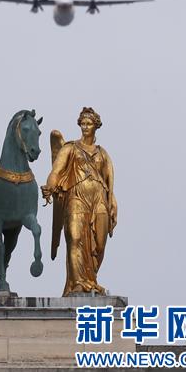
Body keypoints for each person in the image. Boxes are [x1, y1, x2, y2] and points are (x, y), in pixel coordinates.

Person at [41, 107, 118, 296]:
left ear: (96, 126)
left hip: (99, 200)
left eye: (89, 124)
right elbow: (56, 172)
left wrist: (113, 203)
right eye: (82, 123)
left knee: (99, 244)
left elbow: (109, 184)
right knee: (74, 238)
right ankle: (77, 282)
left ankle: (91, 279)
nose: (85, 127)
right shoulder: (70, 148)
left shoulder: (103, 154)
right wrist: (50, 186)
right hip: (76, 198)